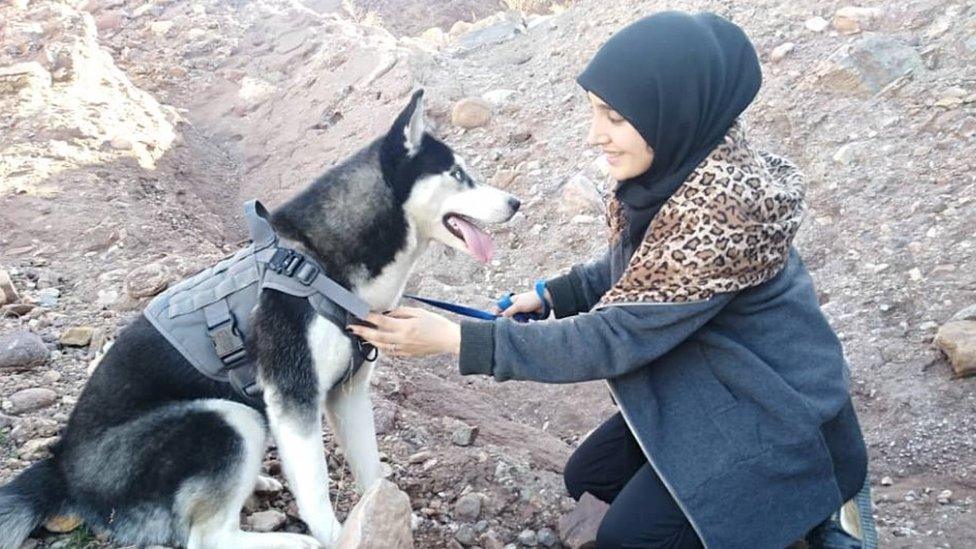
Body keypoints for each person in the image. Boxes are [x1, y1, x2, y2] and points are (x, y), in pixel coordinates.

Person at [350, 11, 868, 549]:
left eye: (615, 118)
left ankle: (809, 519)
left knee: (628, 538)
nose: (596, 135)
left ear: (670, 114)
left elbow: (614, 337)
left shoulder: (722, 218)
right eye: (596, 113)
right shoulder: (680, 171)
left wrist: (458, 338)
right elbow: (643, 268)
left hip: (781, 422)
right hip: (713, 391)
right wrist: (554, 294)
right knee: (589, 478)